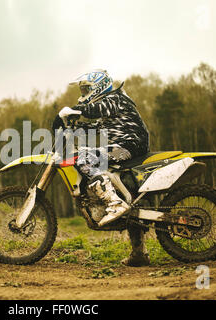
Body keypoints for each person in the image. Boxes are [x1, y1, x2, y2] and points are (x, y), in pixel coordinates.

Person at [53, 69, 151, 266]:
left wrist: (71, 110)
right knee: (130, 198)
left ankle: (114, 204)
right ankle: (139, 253)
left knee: (83, 157)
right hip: (125, 146)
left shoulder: (115, 98)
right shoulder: (111, 105)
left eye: (86, 89)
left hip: (129, 145)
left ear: (98, 86)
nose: (83, 93)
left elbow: (94, 111)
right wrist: (71, 127)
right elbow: (97, 125)